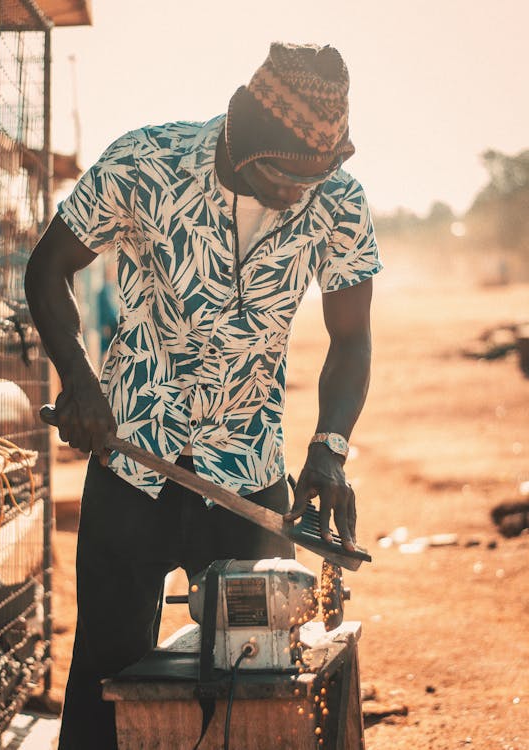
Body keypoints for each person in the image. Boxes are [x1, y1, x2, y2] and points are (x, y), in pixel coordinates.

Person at [25, 42, 382, 750]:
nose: (300, 195)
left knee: (254, 690)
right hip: (131, 466)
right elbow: (46, 269)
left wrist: (329, 449)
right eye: (285, 179)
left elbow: (351, 340)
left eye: (316, 179)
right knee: (106, 681)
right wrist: (81, 382)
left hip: (247, 480)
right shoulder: (144, 164)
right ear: (245, 142)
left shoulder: (338, 203)